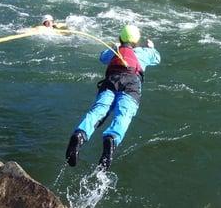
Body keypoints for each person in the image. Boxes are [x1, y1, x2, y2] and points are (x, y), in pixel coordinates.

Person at [65, 24, 161, 170]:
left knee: (99, 111)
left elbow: (102, 58)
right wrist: (151, 47)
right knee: (123, 115)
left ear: (120, 38)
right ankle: (111, 138)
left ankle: (79, 134)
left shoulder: (114, 51)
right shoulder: (144, 52)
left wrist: (112, 46)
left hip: (111, 81)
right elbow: (157, 58)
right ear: (136, 41)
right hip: (131, 85)